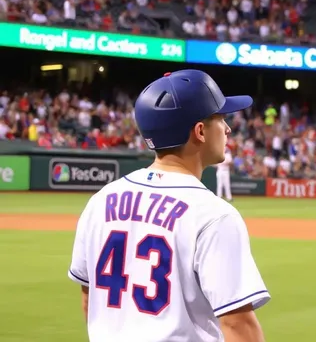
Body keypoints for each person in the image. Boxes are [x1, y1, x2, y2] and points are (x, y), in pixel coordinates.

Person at [67, 70, 270, 341]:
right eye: (221, 119)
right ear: (200, 131)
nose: (228, 128)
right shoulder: (213, 215)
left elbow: (88, 299)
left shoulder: (101, 200)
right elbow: (238, 326)